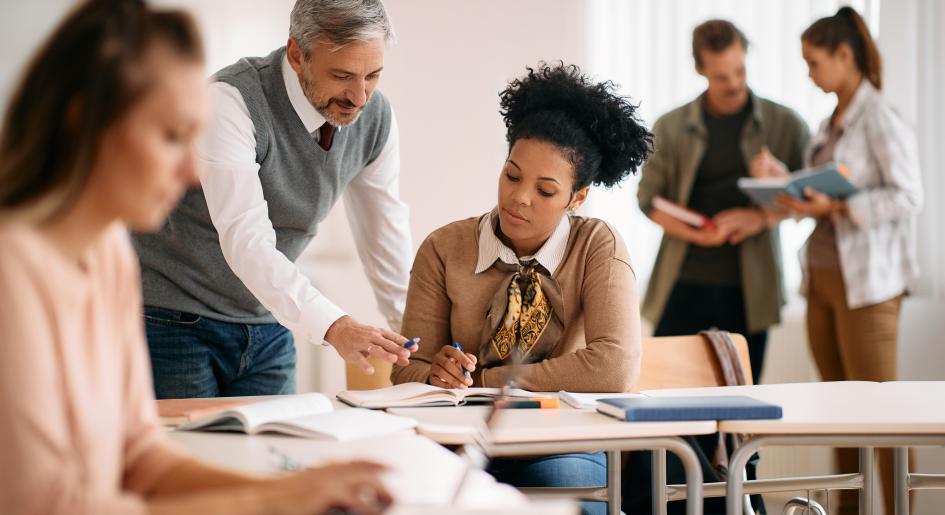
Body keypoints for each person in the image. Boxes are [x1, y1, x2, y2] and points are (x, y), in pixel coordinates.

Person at [0, 1, 392, 514]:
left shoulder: (110, 261)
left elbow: (141, 457)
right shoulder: (13, 274)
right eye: (170, 136)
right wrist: (265, 504)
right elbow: (49, 505)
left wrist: (293, 491)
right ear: (84, 124)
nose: (190, 169)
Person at [391, 63, 652, 515]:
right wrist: (436, 374)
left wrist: (485, 383)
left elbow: (614, 366)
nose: (520, 198)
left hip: (561, 443)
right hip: (460, 441)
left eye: (546, 190)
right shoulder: (444, 247)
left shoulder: (596, 245)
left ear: (578, 197)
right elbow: (407, 370)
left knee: (567, 497)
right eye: (512, 176)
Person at [132, 0, 416, 399]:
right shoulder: (231, 101)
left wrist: (420, 334)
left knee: (275, 458)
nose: (359, 96)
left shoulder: (375, 117)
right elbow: (246, 240)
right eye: (342, 75)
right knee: (192, 455)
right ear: (297, 55)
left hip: (267, 323)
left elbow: (384, 233)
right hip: (176, 319)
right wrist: (334, 325)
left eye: (373, 75)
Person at [763, 7, 923, 514]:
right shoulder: (830, 120)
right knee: (841, 414)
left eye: (814, 62)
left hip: (869, 289)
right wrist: (788, 186)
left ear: (844, 55)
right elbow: (822, 190)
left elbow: (907, 195)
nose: (809, 72)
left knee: (884, 418)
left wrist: (837, 206)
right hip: (825, 281)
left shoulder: (878, 116)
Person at [637, 19, 810, 385]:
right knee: (664, 391)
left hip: (750, 288)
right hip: (683, 279)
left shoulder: (786, 124)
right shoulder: (670, 126)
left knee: (742, 400)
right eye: (720, 77)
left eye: (740, 71)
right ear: (700, 70)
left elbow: (809, 198)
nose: (733, 84)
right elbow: (648, 199)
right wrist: (695, 234)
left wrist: (759, 218)